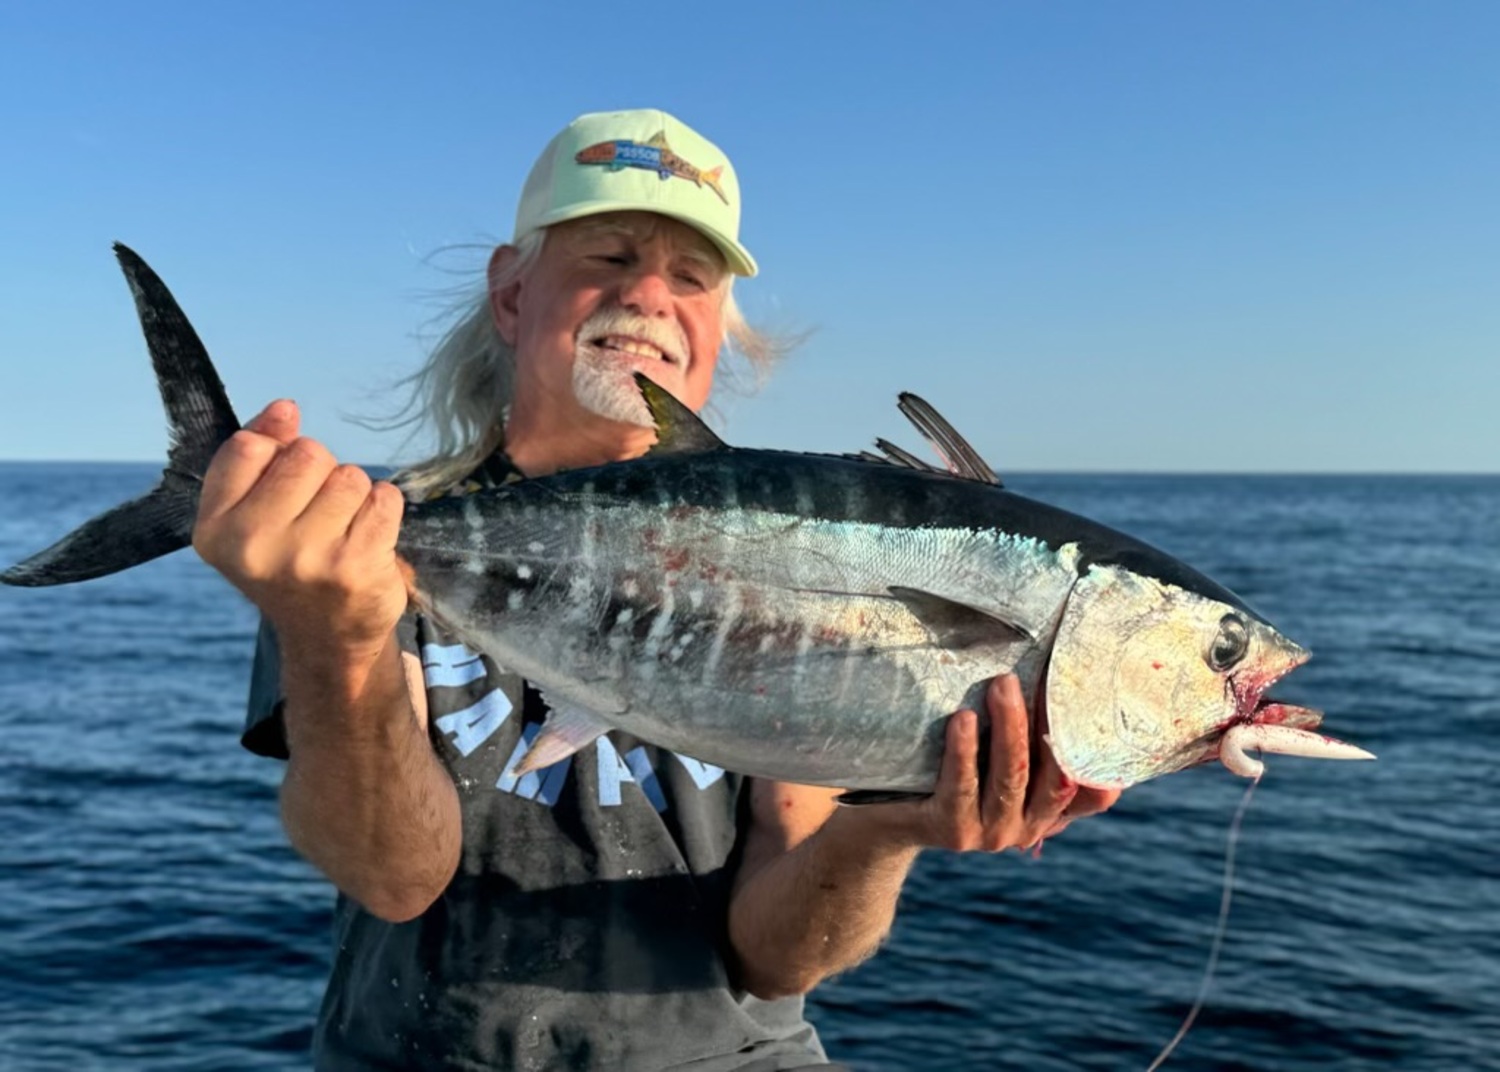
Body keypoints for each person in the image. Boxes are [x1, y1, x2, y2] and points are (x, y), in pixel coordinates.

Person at [194, 109, 1119, 1071]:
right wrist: (336, 638)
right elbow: (392, 879)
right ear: (511, 298)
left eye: (691, 278)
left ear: (715, 331)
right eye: (608, 255)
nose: (647, 297)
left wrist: (886, 829)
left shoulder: (803, 551)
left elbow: (771, 960)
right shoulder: (359, 551)